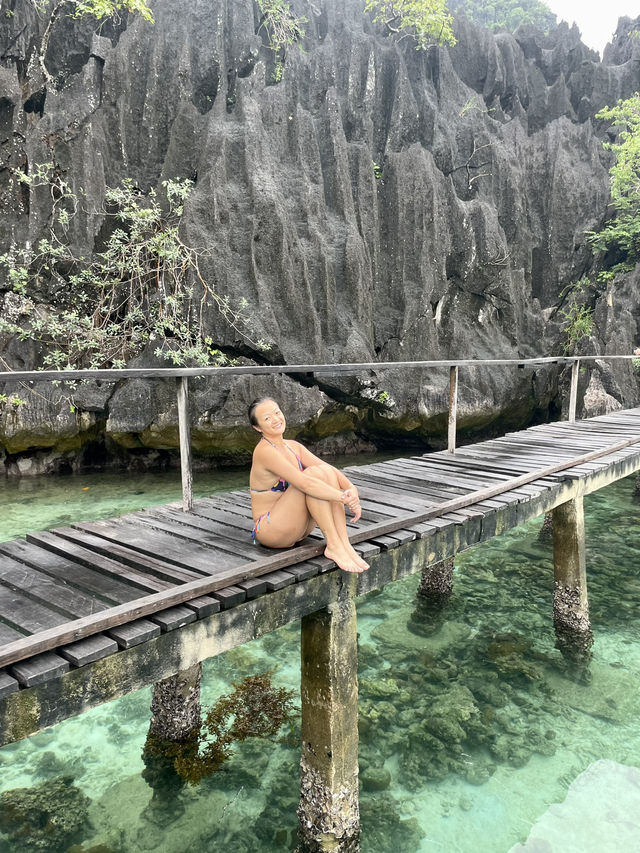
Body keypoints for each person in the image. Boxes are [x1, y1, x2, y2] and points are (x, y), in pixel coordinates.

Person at [248, 397, 369, 573]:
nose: (275, 419)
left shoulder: (293, 446)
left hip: (298, 527)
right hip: (271, 530)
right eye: (267, 418)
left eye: (277, 412)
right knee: (312, 476)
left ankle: (343, 543)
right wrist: (343, 498)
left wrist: (351, 488)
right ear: (257, 427)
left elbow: (329, 469)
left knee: (323, 471)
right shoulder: (264, 451)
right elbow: (305, 483)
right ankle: (334, 545)